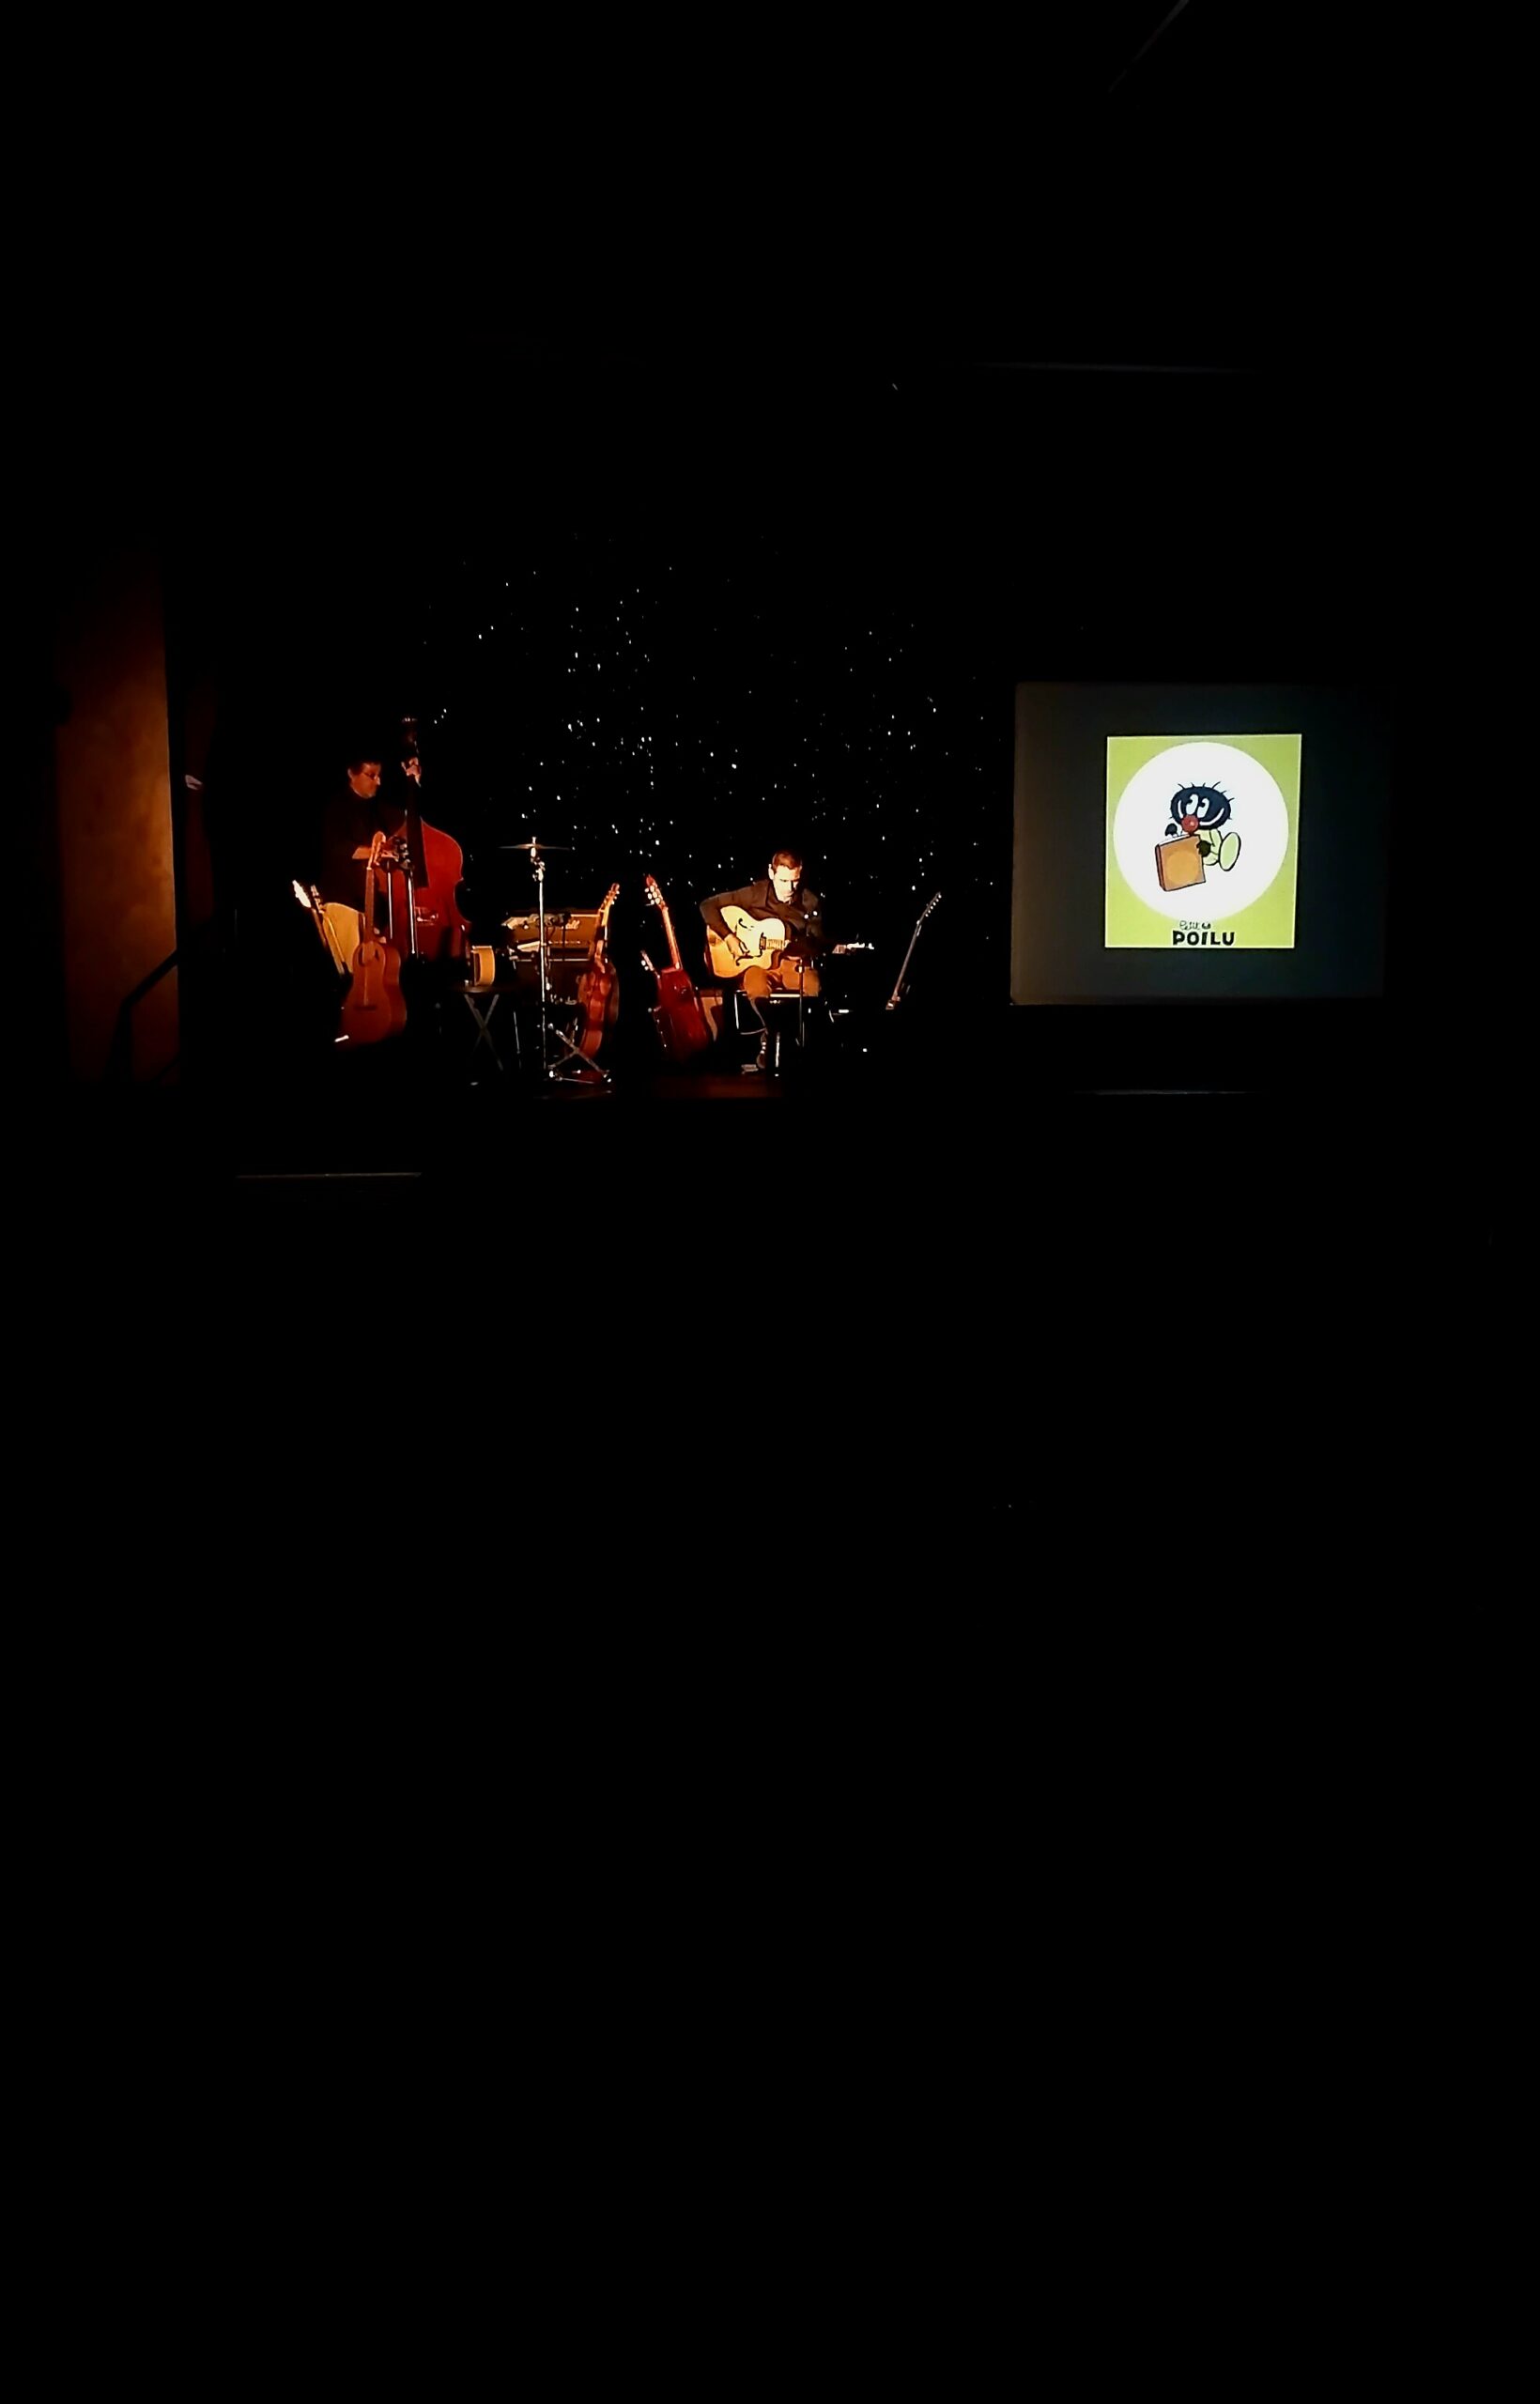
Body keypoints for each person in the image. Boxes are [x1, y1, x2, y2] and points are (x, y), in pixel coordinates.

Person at [700, 848, 828, 1073]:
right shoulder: (754, 894)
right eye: (783, 881)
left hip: (791, 962)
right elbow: (707, 906)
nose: (789, 889)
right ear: (771, 872)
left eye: (795, 881)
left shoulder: (810, 902)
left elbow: (816, 944)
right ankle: (773, 1034)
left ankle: (796, 1044)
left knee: (813, 985)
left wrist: (801, 945)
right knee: (756, 986)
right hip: (756, 964)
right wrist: (729, 937)